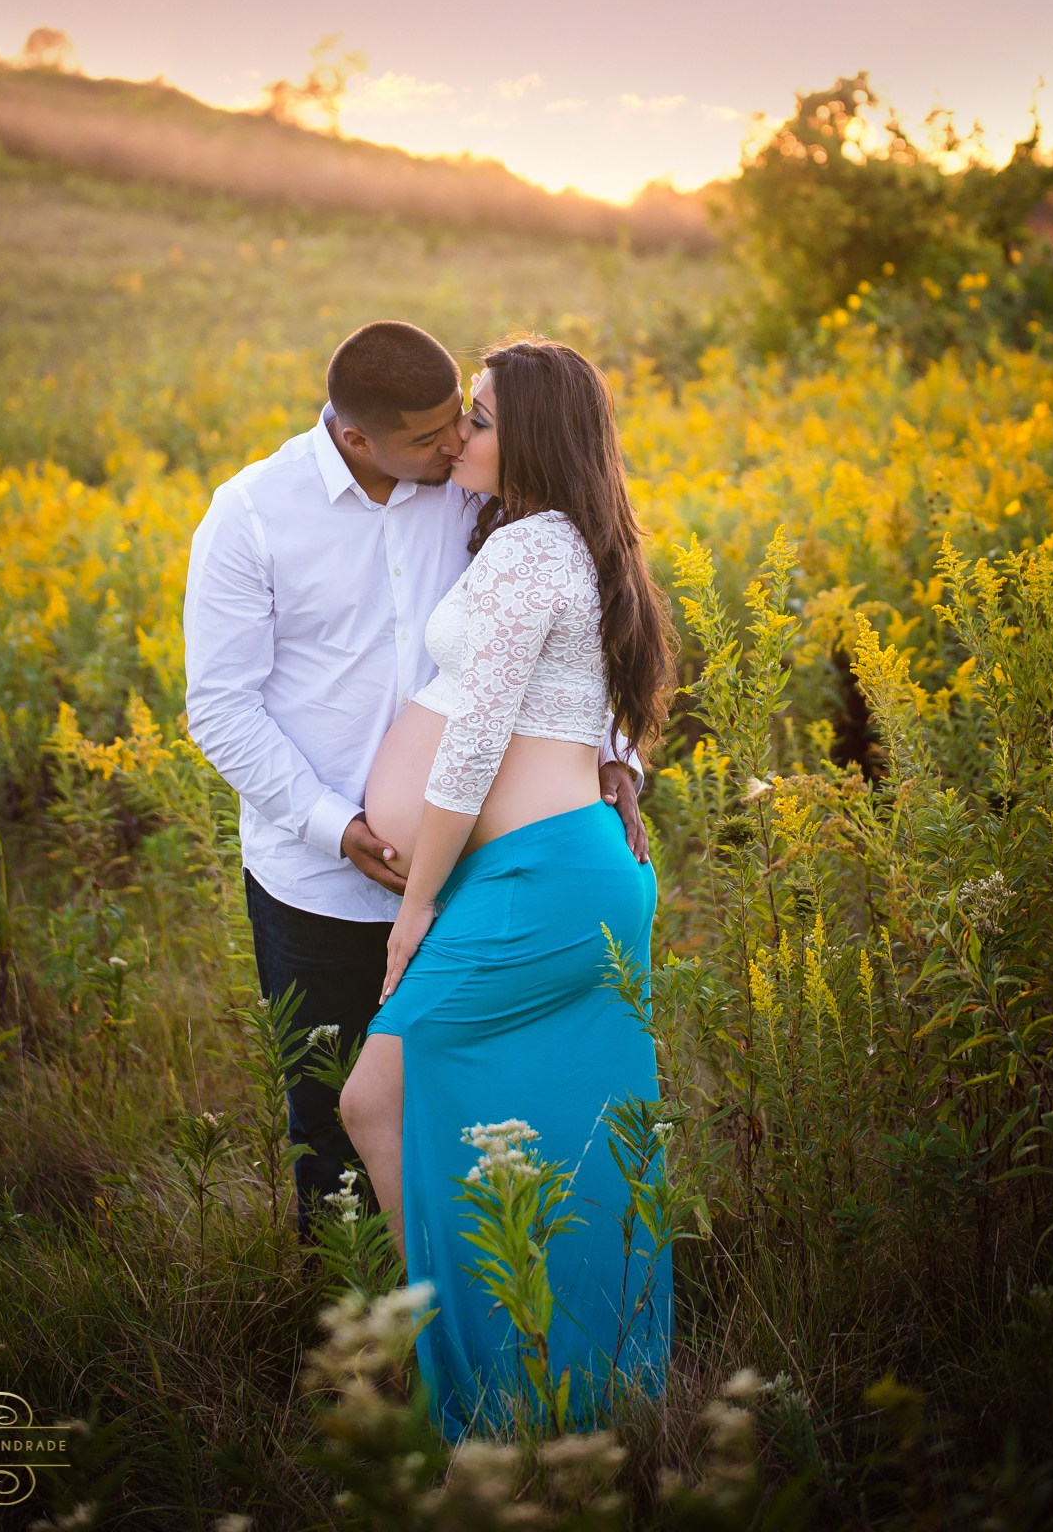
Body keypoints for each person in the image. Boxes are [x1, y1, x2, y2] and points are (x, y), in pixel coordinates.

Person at [182, 321, 647, 1233]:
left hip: (468, 876)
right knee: (331, 1130)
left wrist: (611, 749)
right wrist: (337, 828)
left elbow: (566, 618)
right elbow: (222, 711)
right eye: (432, 434)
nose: (453, 442)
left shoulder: (472, 488)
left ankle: (480, 1332)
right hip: (315, 883)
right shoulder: (250, 515)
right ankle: (362, 1355)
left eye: (461, 422)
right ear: (354, 436)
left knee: (466, 1109)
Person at [341, 337, 677, 1435]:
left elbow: (477, 737)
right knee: (555, 1128)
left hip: (532, 880)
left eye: (476, 419)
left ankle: (493, 1394)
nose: (459, 436)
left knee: (377, 1098)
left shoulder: (534, 549)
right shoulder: (553, 541)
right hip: (551, 869)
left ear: (527, 435)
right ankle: (556, 1387)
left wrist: (414, 901)